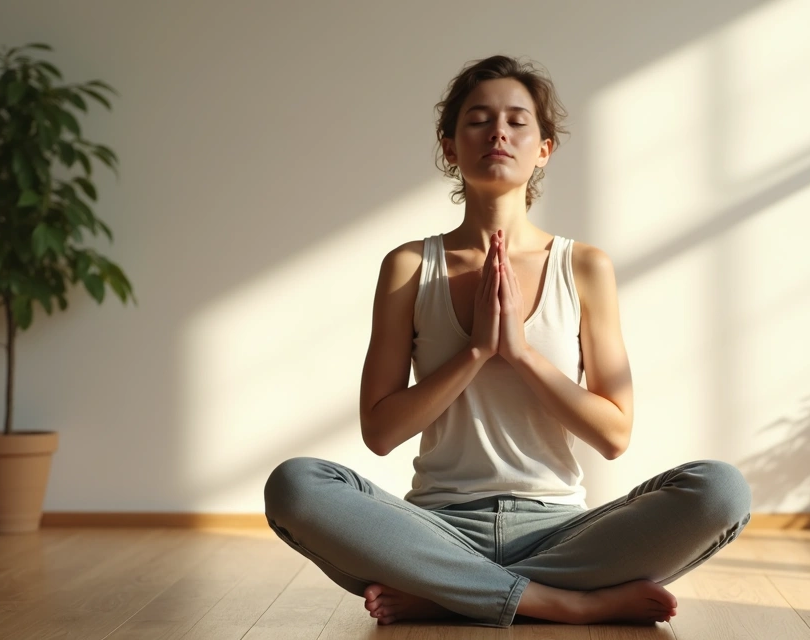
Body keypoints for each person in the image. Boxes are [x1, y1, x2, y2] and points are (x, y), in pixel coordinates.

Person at [263, 54, 752, 628]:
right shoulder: (409, 266)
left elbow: (614, 435)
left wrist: (520, 355)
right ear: (450, 147)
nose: (498, 132)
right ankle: (560, 602)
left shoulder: (584, 266)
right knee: (295, 485)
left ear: (543, 149)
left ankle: (451, 592)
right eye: (478, 120)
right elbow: (381, 432)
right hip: (436, 528)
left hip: (561, 530)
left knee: (721, 490)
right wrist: (474, 353)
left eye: (517, 121)